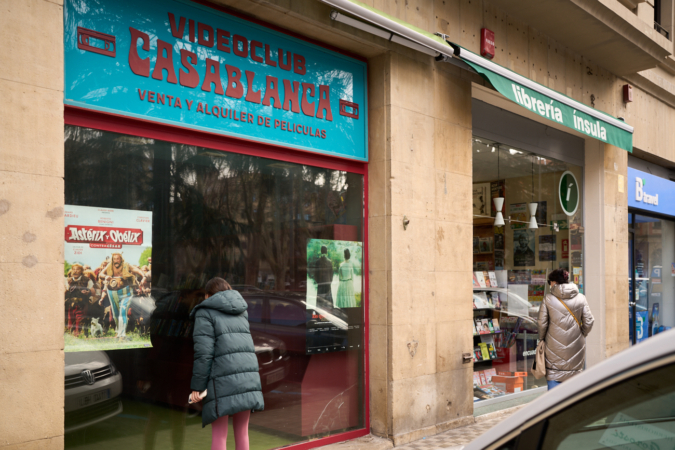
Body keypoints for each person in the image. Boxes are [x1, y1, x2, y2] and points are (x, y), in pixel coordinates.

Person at [190, 278, 264, 450]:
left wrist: (197, 386)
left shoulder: (205, 312)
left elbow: (203, 354)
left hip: (222, 381)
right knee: (242, 431)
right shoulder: (241, 310)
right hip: (248, 378)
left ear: (207, 295)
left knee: (219, 434)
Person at [538, 268, 594, 390]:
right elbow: (589, 321)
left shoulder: (548, 299)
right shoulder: (581, 297)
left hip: (553, 346)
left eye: (550, 282)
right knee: (574, 380)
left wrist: (542, 338)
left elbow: (542, 323)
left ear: (554, 282)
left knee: (554, 376)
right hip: (576, 346)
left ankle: (554, 405)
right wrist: (581, 333)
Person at [99, 253, 147, 338]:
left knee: (123, 312)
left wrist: (144, 277)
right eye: (114, 259)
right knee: (115, 314)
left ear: (121, 259)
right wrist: (106, 276)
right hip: (112, 292)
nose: (116, 261)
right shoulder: (110, 266)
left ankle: (122, 333)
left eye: (118, 259)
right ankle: (119, 331)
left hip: (126, 292)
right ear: (112, 260)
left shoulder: (126, 265)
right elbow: (101, 274)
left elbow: (138, 271)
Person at [64, 263, 95, 336]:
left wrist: (87, 292)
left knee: (79, 320)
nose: (75, 271)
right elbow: (66, 291)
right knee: (70, 323)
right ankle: (72, 338)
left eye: (77, 269)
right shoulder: (69, 280)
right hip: (70, 305)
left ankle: (78, 336)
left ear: (81, 271)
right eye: (74, 269)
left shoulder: (87, 280)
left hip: (82, 304)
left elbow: (93, 292)